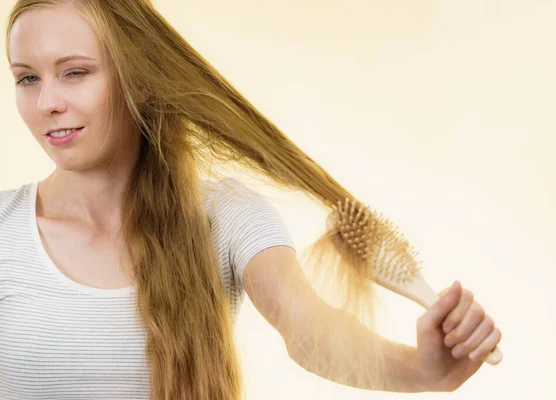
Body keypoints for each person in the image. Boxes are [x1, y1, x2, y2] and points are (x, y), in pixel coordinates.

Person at [0, 1, 502, 399]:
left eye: (75, 72)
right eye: (27, 78)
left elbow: (309, 329)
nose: (47, 103)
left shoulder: (227, 216)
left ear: (139, 75)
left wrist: (423, 370)